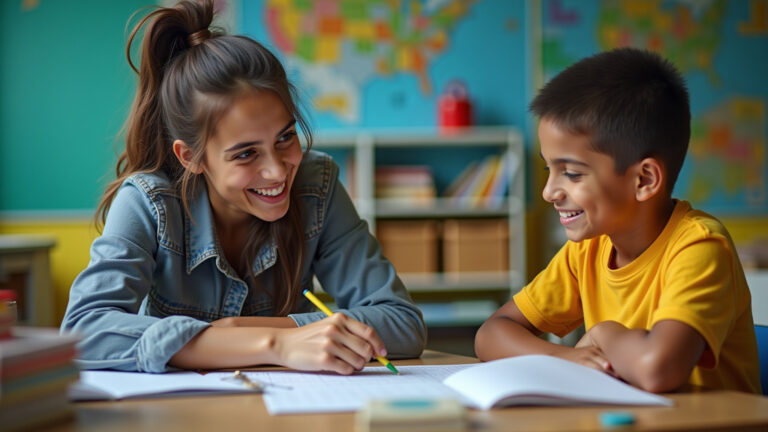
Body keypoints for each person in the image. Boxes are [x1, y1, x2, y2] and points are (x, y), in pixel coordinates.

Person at [60, 0, 425, 375]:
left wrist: (245, 331)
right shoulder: (147, 202)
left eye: (285, 137)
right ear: (191, 157)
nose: (276, 171)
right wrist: (276, 344)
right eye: (246, 153)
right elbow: (83, 331)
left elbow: (402, 322)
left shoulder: (318, 185)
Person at [475, 48, 761, 394]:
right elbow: (491, 333)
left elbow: (658, 370)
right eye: (549, 169)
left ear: (644, 180)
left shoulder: (700, 247)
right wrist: (564, 358)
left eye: (572, 174)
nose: (550, 191)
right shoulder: (588, 249)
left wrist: (603, 332)